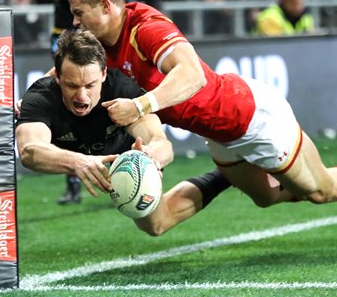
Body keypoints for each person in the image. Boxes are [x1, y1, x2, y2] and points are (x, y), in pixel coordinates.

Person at [63, 0, 337, 243]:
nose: (74, 22)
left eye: (79, 13)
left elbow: (192, 75)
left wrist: (141, 107)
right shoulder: (102, 43)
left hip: (251, 116)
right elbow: (66, 71)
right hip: (221, 134)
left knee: (321, 190)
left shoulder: (146, 28)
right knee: (265, 197)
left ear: (106, 7)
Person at [15, 30, 231, 235]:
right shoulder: (41, 96)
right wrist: (78, 162)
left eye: (90, 85)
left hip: (126, 153)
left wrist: (151, 157)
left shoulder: (122, 90)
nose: (82, 96)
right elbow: (30, 151)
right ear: (58, 78)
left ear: (103, 74)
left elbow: (161, 143)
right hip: (75, 158)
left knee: (156, 225)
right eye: (72, 85)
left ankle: (227, 175)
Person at [37, 0, 162, 203]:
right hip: (72, 28)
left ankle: (129, 163)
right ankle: (73, 175)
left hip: (117, 28)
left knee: (115, 95)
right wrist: (79, 0)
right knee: (72, 97)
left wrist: (157, 18)